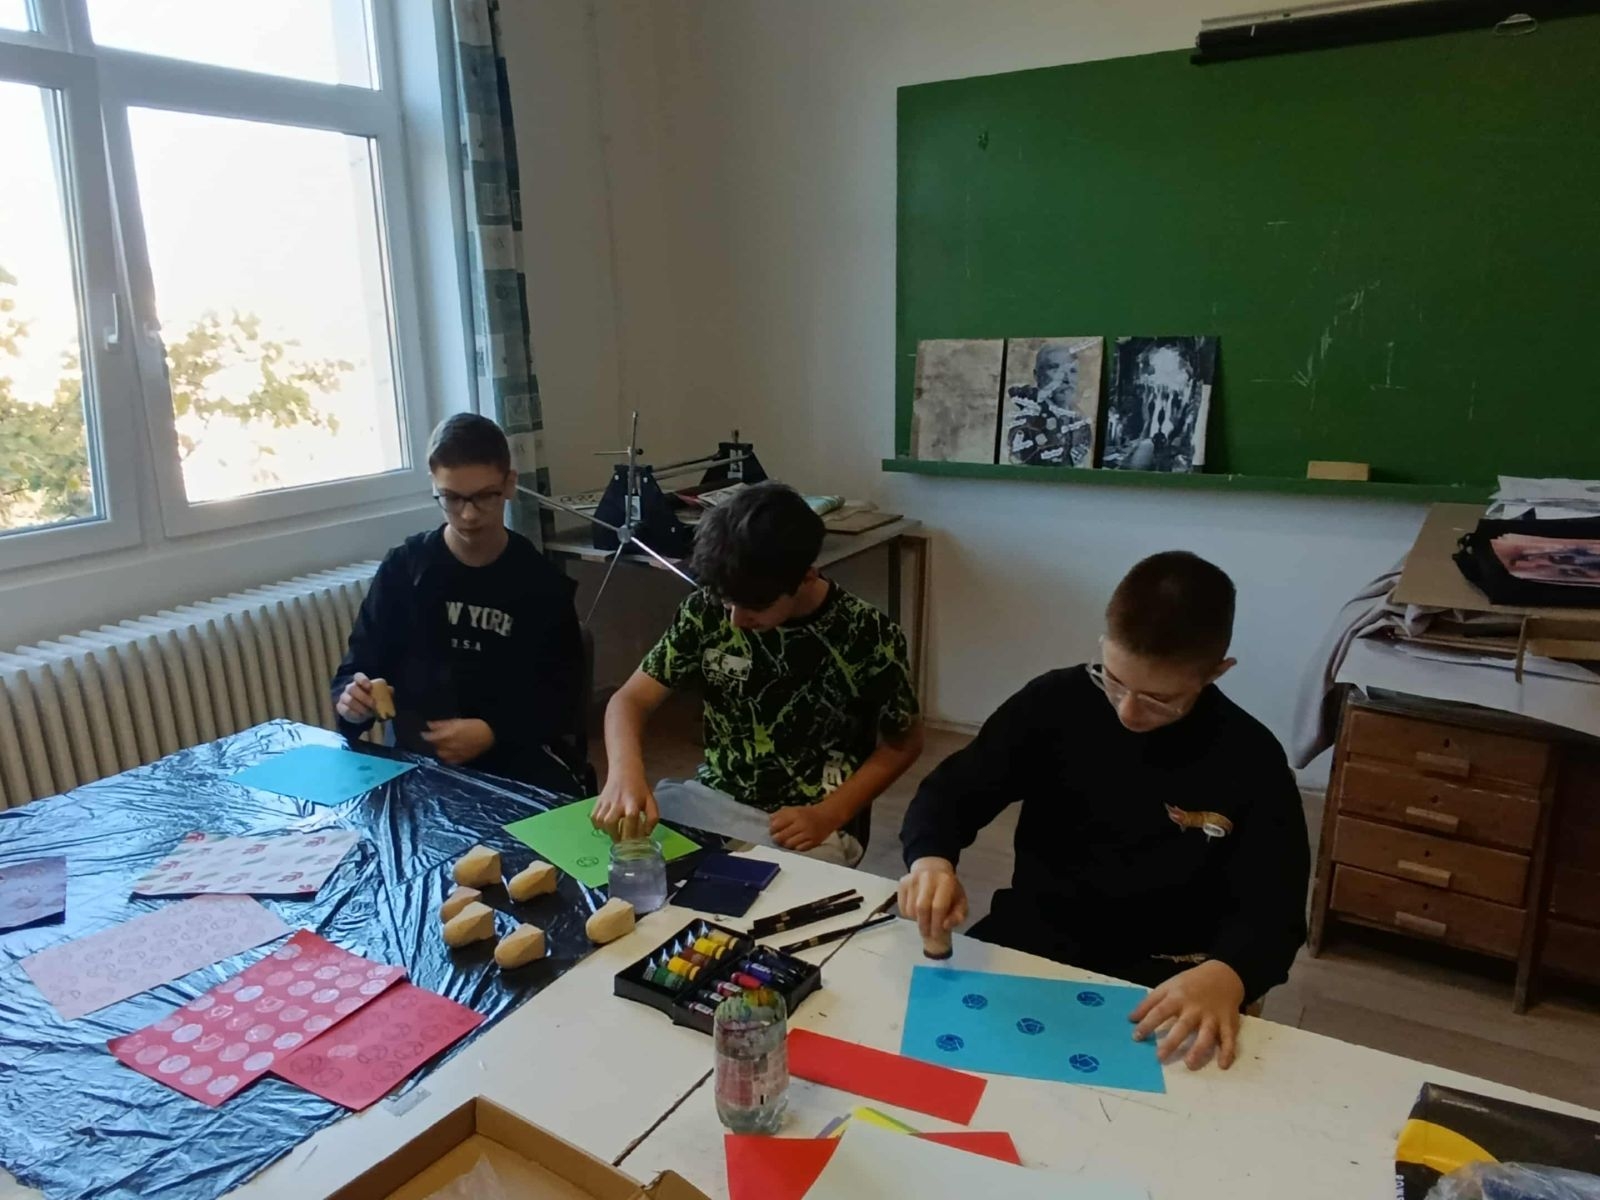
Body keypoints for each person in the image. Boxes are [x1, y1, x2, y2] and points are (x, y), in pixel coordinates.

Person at [897, 551, 1309, 1072]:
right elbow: (952, 792)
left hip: (1169, 972)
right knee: (928, 1062)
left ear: (1216, 673)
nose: (1128, 711)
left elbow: (1276, 910)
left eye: (1158, 699)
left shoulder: (1250, 759)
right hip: (1039, 936)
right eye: (1112, 679)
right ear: (1102, 645)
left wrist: (1232, 973)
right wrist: (931, 860)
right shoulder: (1054, 703)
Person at [592, 482, 923, 866]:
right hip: (712, 800)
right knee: (630, 867)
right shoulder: (704, 611)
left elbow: (904, 743)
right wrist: (624, 773)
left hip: (805, 820)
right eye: (727, 601)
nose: (736, 619)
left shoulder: (865, 634)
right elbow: (630, 700)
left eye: (754, 606)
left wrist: (830, 814)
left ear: (806, 576)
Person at [331, 413, 584, 788]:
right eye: (450, 498)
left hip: (514, 765)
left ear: (509, 484)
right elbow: (357, 668)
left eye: (484, 497)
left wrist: (494, 731)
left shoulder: (539, 582)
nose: (468, 514)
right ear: (434, 485)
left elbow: (563, 697)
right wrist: (353, 703)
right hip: (416, 765)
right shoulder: (404, 570)